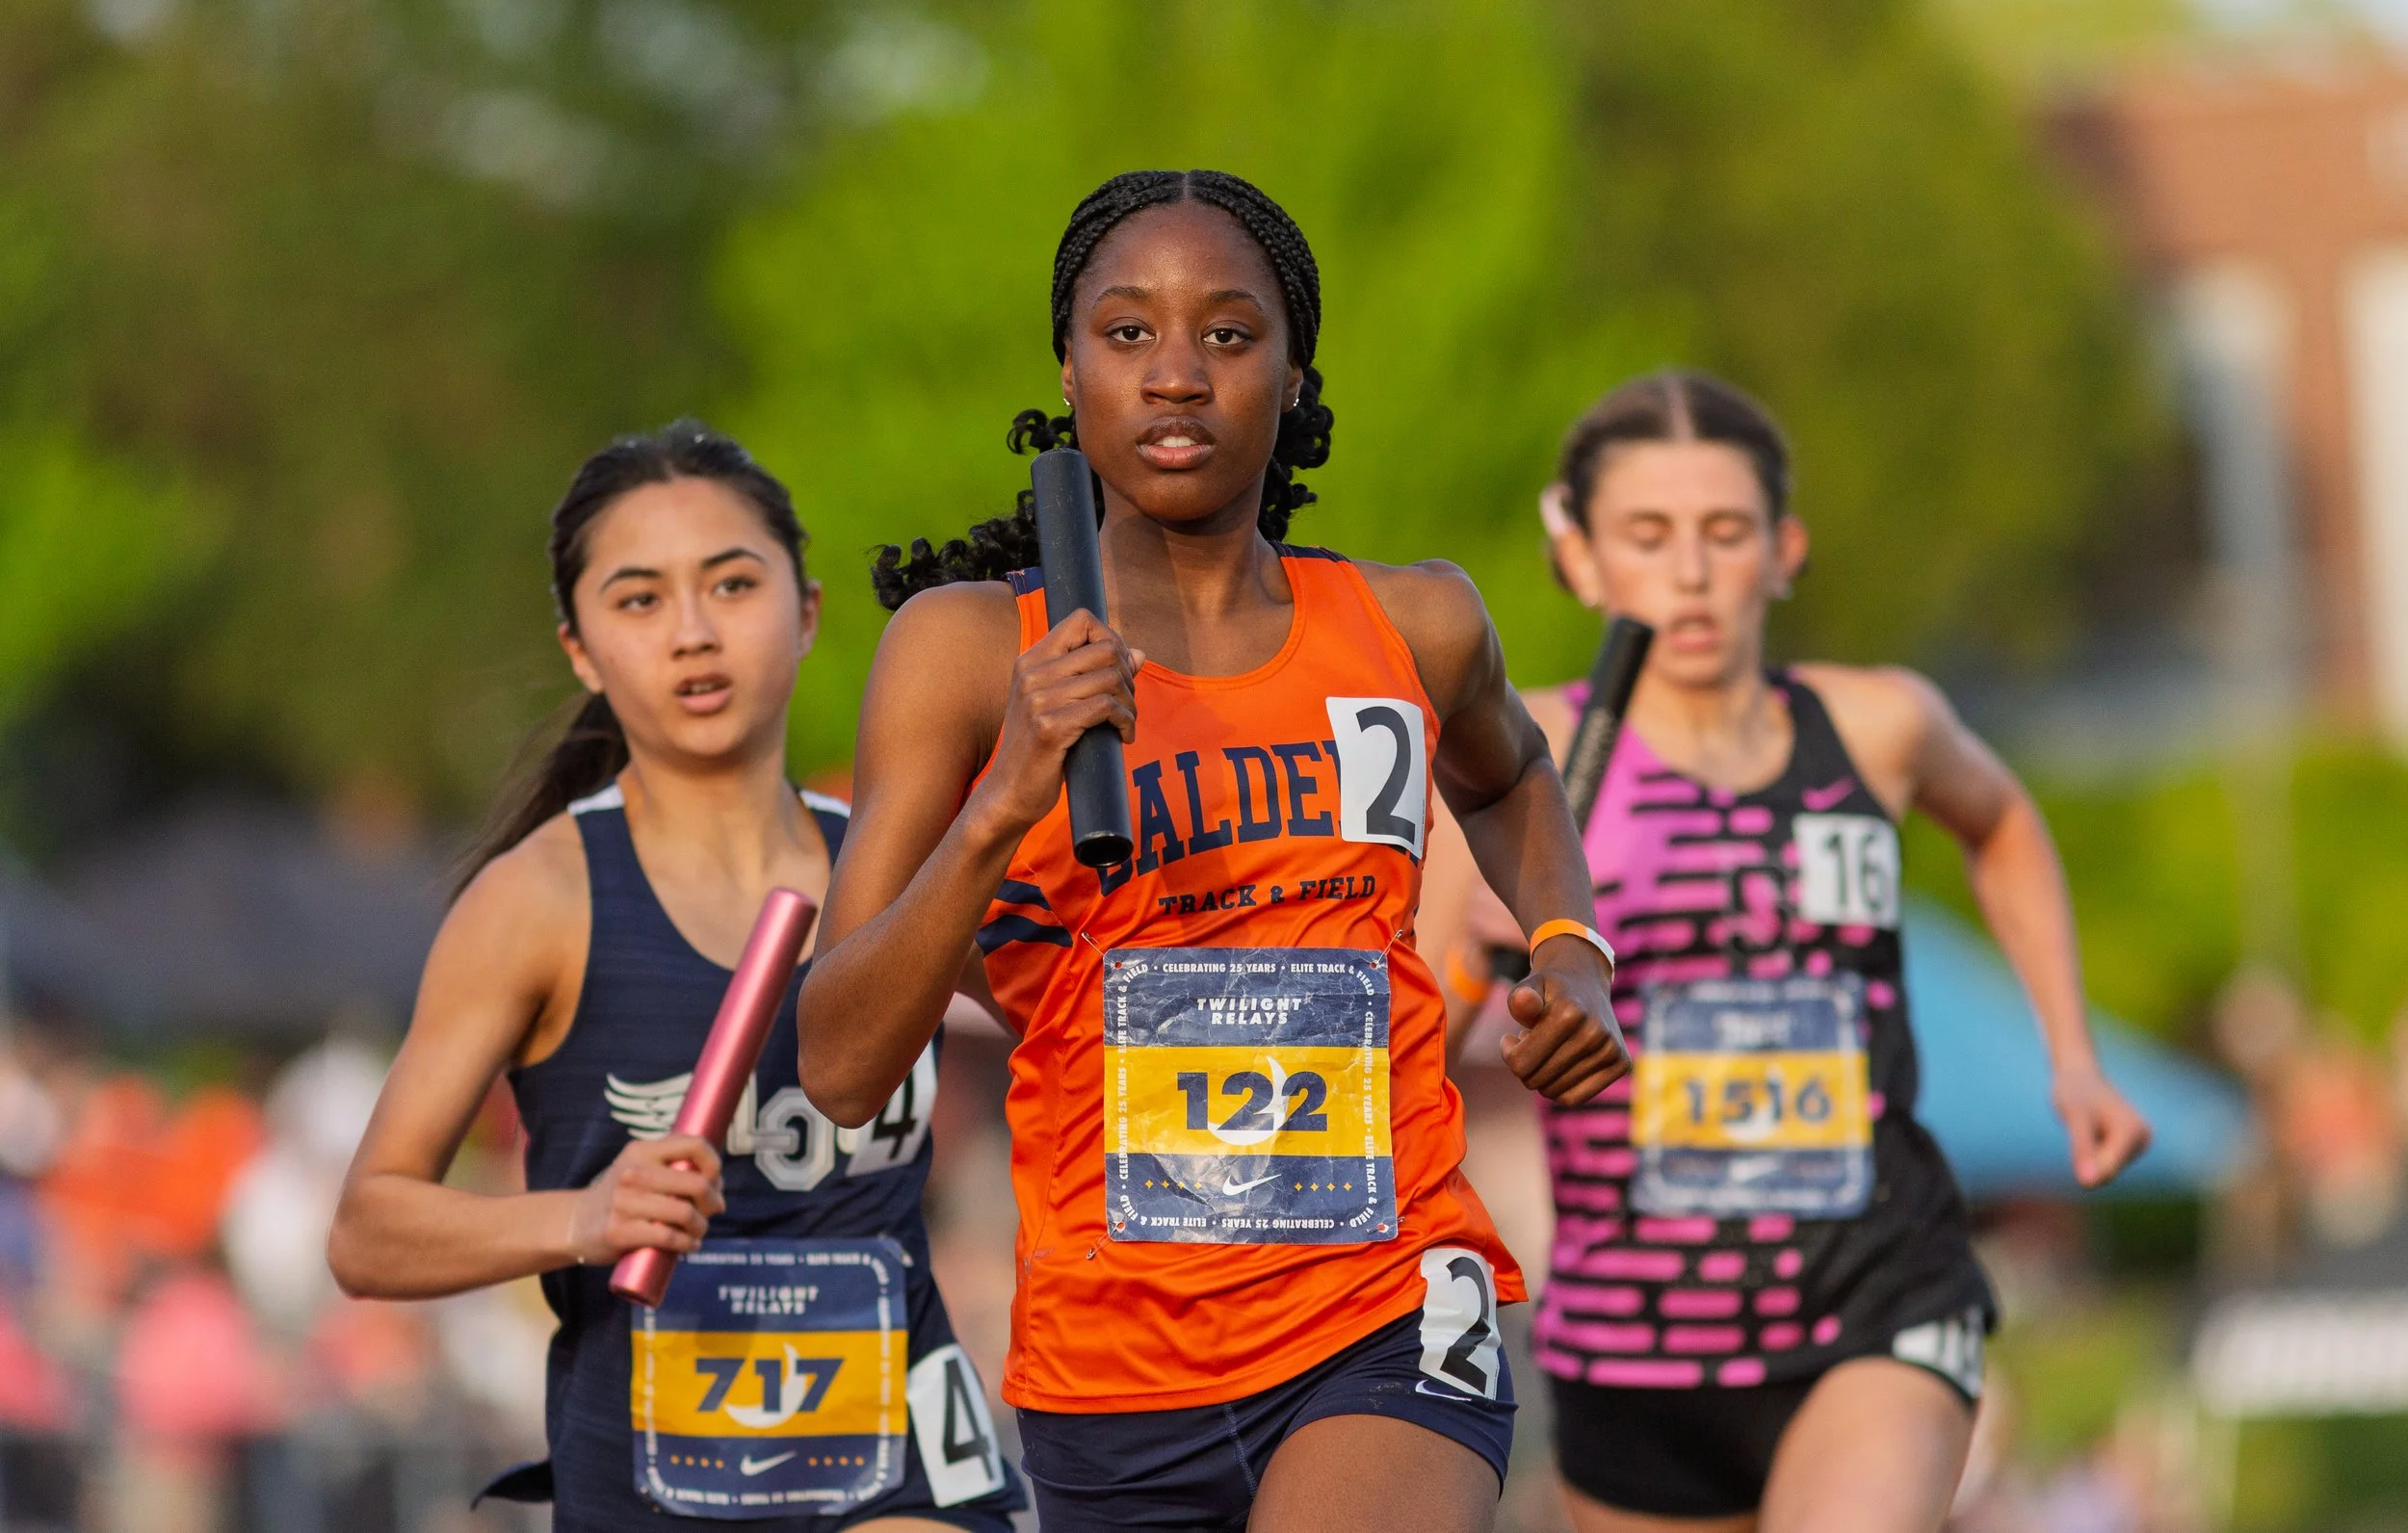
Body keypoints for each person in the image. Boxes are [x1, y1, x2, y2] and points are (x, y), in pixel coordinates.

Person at [794, 169, 1629, 1533]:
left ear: (1294, 378)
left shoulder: (1415, 624)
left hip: (1388, 1301)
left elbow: (1517, 771)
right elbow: (836, 1060)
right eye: (1129, 334)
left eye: (1228, 335)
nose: (1177, 374)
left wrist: (1568, 945)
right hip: (1113, 1361)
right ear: (1067, 371)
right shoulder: (958, 652)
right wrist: (1007, 793)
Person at [1420, 371, 2155, 1533]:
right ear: (1582, 558)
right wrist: (1479, 957)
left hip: (1875, 1295)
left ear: (1784, 548)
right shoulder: (1516, 763)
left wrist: (2070, 1050)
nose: (1693, 572)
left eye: (1725, 532)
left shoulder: (1878, 723)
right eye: (1649, 536)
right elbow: (1414, 1055)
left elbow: (2002, 822)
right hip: (1633, 1341)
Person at [327, 422, 1024, 1533]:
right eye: (640, 599)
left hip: (904, 1464)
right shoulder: (539, 900)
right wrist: (585, 1216)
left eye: (732, 583)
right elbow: (367, 1231)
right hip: (656, 1485)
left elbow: (1093, 1038)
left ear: (806, 611)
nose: (694, 633)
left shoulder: (904, 872)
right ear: (581, 650)